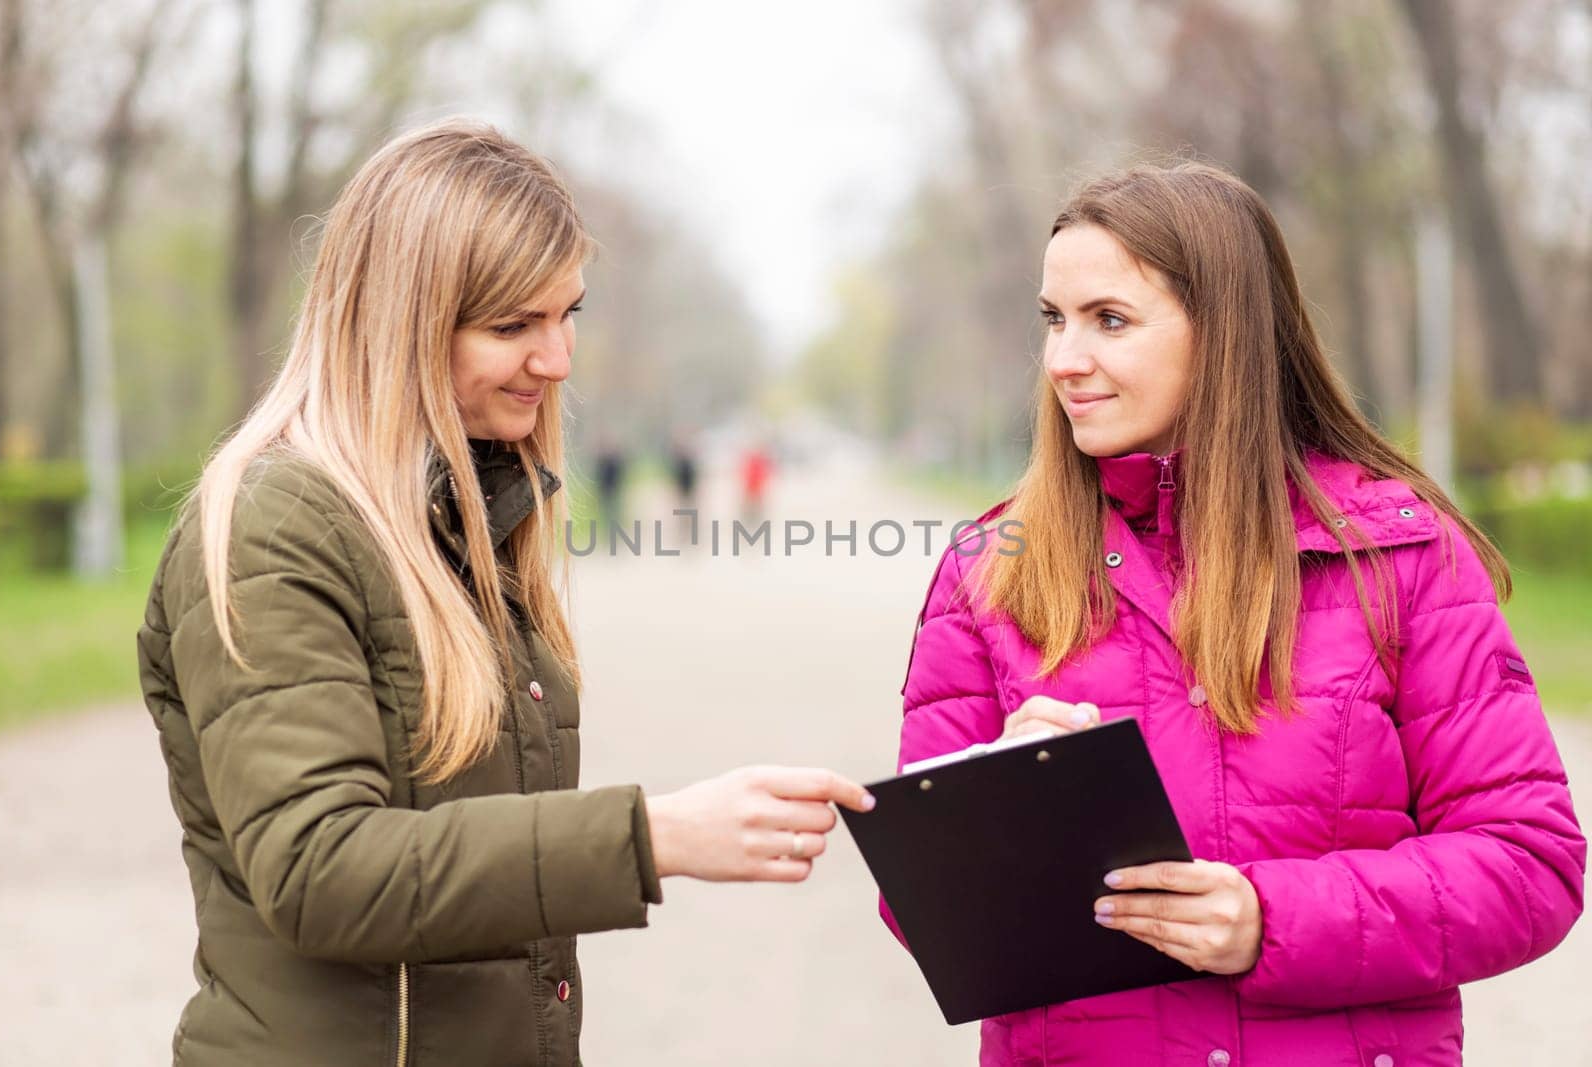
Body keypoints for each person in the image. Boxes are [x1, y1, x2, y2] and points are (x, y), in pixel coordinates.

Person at [137, 119, 872, 1067]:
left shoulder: (469, 513)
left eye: (568, 315)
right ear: (399, 322)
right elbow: (320, 868)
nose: (558, 359)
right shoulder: (274, 527)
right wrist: (652, 834)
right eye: (513, 326)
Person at [887, 161, 1584, 1066]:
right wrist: (992, 807)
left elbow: (1531, 867)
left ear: (1223, 335)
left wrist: (1272, 920)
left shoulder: (1405, 559)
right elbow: (922, 915)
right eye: (1054, 320)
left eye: (1110, 320)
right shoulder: (989, 573)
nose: (1062, 359)